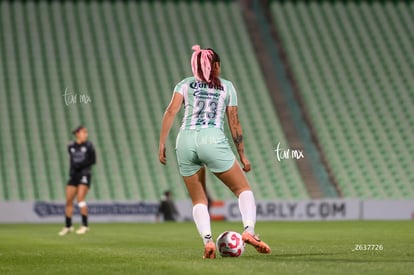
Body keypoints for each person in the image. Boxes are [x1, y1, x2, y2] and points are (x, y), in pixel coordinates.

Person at [158, 45, 271, 258]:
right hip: (212, 139)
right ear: (215, 65)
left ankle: (208, 242)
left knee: (199, 200)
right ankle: (249, 231)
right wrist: (242, 155)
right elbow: (234, 123)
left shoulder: (184, 84)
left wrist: (162, 143)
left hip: (185, 140)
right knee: (243, 190)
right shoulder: (226, 86)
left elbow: (171, 111)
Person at [59, 126, 96, 236]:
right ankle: (68, 226)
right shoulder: (71, 146)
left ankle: (84, 225)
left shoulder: (89, 146)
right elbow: (72, 160)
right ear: (77, 134)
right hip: (74, 175)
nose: (86, 134)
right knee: (69, 200)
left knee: (80, 199)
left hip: (84, 174)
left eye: (86, 132)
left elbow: (93, 160)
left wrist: (81, 165)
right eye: (84, 132)